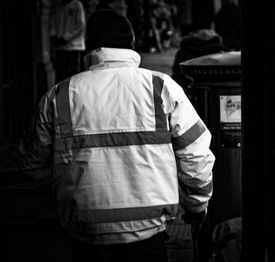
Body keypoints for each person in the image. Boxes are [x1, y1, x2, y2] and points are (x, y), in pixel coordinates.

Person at [0, 9, 215, 262]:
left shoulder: (59, 95)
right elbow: (196, 153)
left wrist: (65, 179)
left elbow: (30, 165)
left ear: (89, 47)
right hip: (148, 236)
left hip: (85, 236)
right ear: (132, 45)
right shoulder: (161, 87)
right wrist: (197, 205)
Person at [50, 0, 86, 82]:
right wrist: (53, 35)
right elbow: (52, 24)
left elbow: (80, 25)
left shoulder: (77, 5)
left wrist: (65, 38)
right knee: (61, 76)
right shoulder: (57, 5)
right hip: (60, 48)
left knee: (74, 76)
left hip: (74, 47)